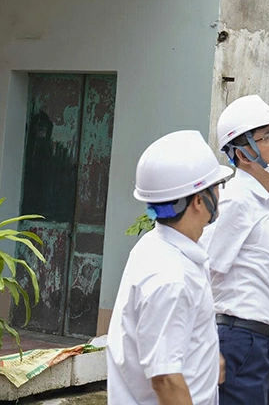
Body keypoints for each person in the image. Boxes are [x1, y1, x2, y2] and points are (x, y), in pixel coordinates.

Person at [107, 130, 234, 405]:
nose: (219, 195)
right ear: (199, 200)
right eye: (216, 187)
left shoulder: (157, 248)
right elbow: (165, 379)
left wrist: (210, 358)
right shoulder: (171, 278)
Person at [203, 95, 269, 405]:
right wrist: (205, 346)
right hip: (239, 343)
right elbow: (200, 272)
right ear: (242, 153)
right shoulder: (236, 202)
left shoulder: (262, 201)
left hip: (260, 344)